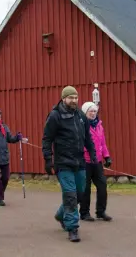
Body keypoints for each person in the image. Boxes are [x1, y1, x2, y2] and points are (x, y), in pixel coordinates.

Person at [42, 86, 98, 243]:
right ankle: (72, 228)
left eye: (75, 98)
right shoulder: (55, 116)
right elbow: (47, 139)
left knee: (80, 193)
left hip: (79, 161)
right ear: (63, 98)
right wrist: (48, 159)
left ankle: (61, 214)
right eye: (70, 98)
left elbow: (87, 137)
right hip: (63, 163)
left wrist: (92, 153)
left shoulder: (80, 115)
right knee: (70, 194)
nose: (74, 100)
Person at [0, 106, 28, 206]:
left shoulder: (4, 127)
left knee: (5, 178)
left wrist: (17, 137)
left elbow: (10, 139)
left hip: (4, 156)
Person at [79, 102, 113, 222]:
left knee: (102, 185)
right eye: (90, 111)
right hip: (85, 161)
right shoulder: (81, 125)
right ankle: (84, 213)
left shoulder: (99, 125)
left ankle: (101, 211)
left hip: (97, 161)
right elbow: (80, 144)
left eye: (94, 111)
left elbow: (102, 143)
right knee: (85, 188)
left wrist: (107, 156)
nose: (93, 113)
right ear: (85, 112)